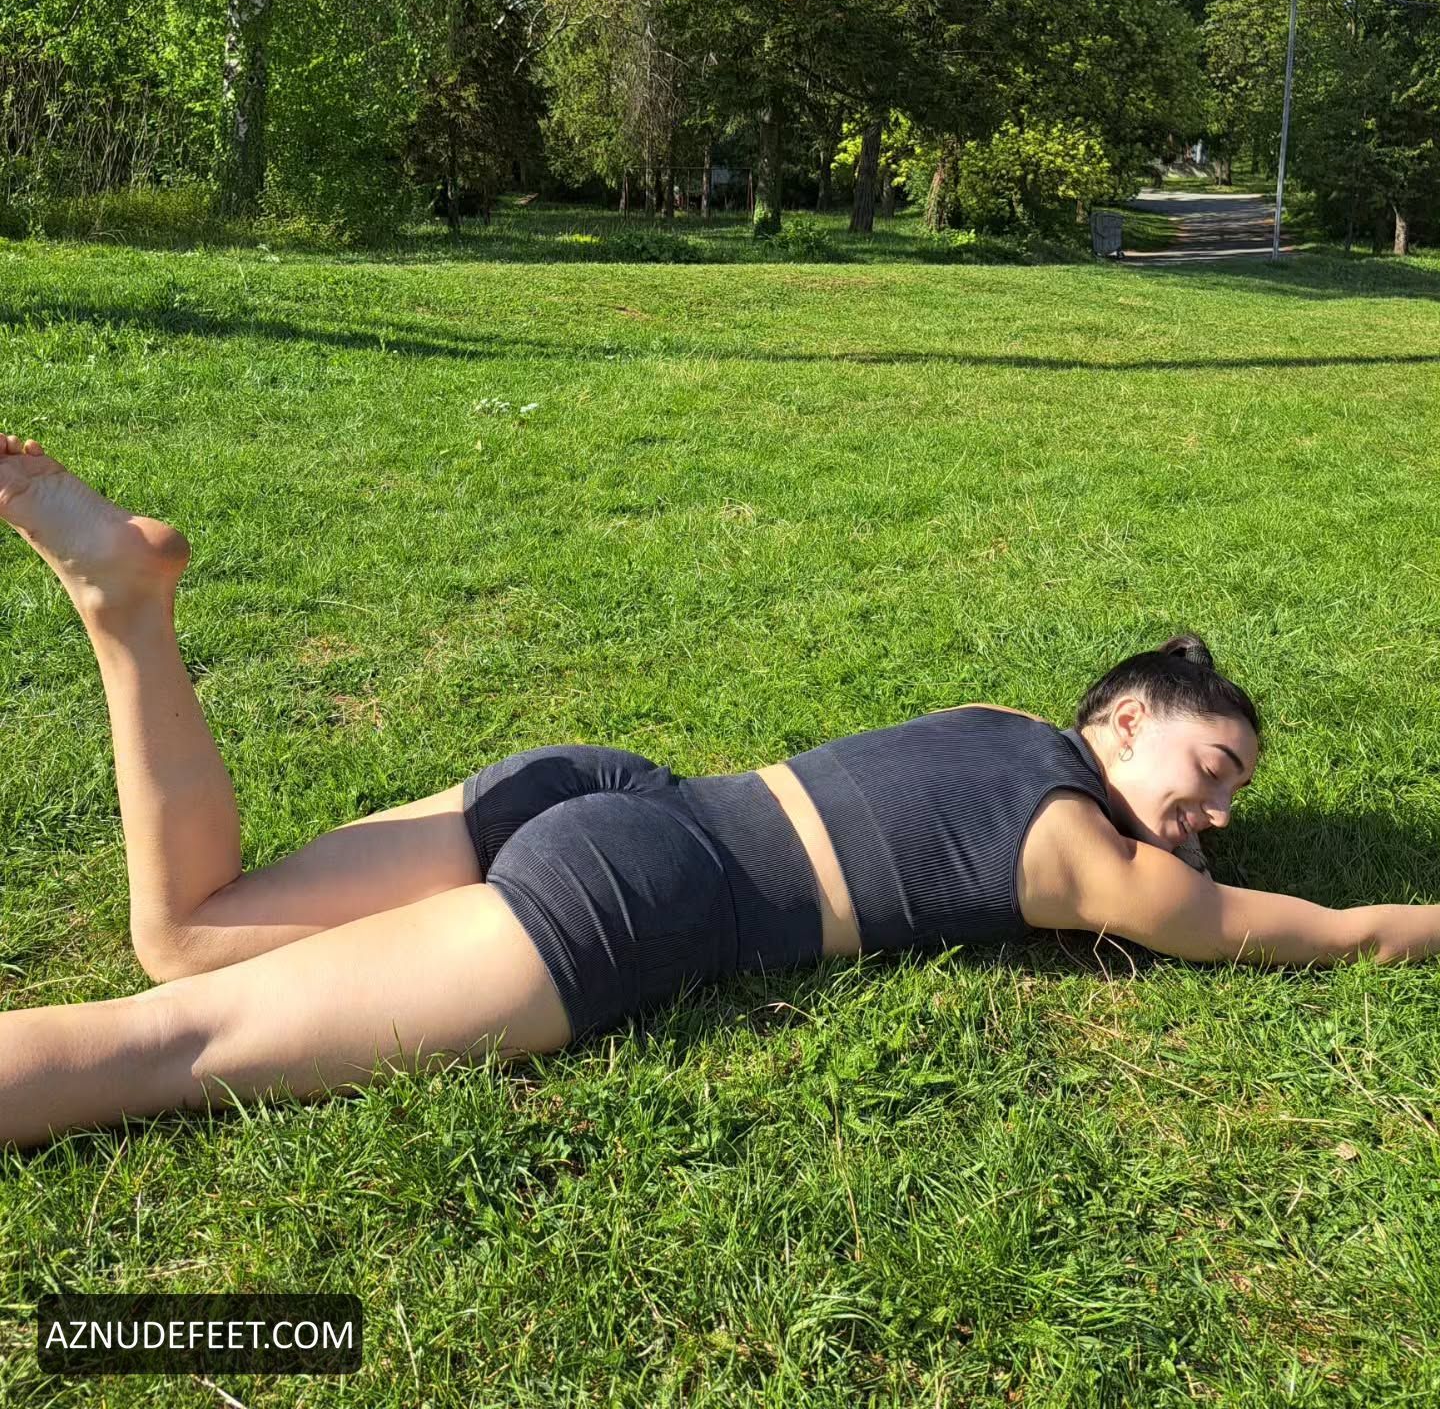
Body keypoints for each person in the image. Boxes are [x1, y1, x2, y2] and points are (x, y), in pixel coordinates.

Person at [0, 434, 1434, 1154]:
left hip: (609, 789)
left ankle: (129, 608)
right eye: (1213, 771)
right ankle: (122, 603)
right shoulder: (1092, 864)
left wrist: (1182, 820)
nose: (1219, 815)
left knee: (186, 937)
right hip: (646, 896)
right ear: (1119, 722)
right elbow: (1325, 933)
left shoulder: (998, 723)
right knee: (168, 1044)